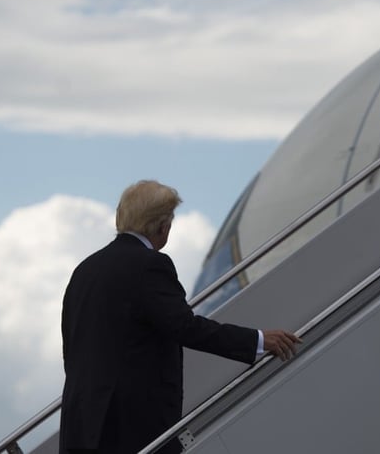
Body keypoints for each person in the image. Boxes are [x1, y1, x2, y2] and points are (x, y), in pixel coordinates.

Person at [59, 180, 301, 454]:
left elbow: (72, 344)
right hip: (132, 427)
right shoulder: (150, 265)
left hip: (81, 424)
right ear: (163, 226)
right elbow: (184, 326)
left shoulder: (84, 271)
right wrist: (257, 340)